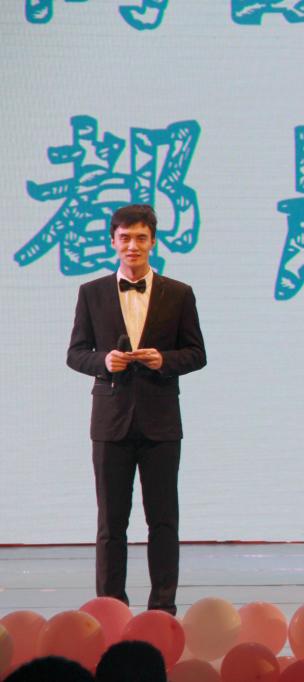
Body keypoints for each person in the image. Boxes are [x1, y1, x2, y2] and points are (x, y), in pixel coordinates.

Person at [67, 204, 207, 615]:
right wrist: (103, 361)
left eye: (141, 238)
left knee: (163, 520)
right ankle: (110, 609)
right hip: (110, 422)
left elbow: (196, 353)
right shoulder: (91, 293)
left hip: (161, 422)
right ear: (113, 241)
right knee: (111, 523)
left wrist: (164, 360)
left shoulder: (178, 293)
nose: (133, 246)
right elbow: (76, 353)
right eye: (125, 238)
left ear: (153, 242)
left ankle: (162, 609)